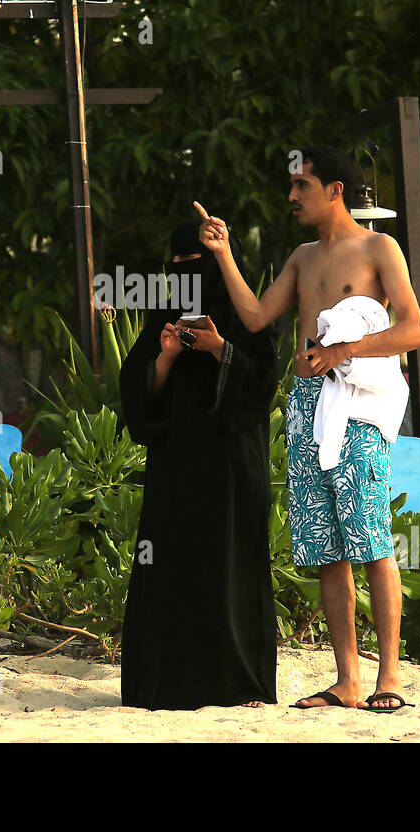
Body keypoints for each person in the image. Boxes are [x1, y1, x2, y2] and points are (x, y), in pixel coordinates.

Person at [194, 145, 420, 712]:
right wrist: (224, 254)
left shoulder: (379, 247)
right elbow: (255, 316)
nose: (292, 195)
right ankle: (347, 681)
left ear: (334, 190)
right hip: (305, 407)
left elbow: (416, 330)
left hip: (356, 411)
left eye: (302, 185)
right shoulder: (301, 257)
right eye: (291, 185)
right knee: (327, 549)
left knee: (371, 540)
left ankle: (389, 678)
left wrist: (345, 348)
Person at [119, 218, 279, 710]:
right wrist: (166, 357)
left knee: (231, 566)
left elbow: (262, 383)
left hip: (232, 466)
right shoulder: (165, 311)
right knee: (171, 563)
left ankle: (240, 685)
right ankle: (165, 686)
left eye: (198, 264)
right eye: (180, 266)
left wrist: (218, 350)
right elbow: (138, 392)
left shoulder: (247, 312)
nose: (188, 274)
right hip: (177, 470)